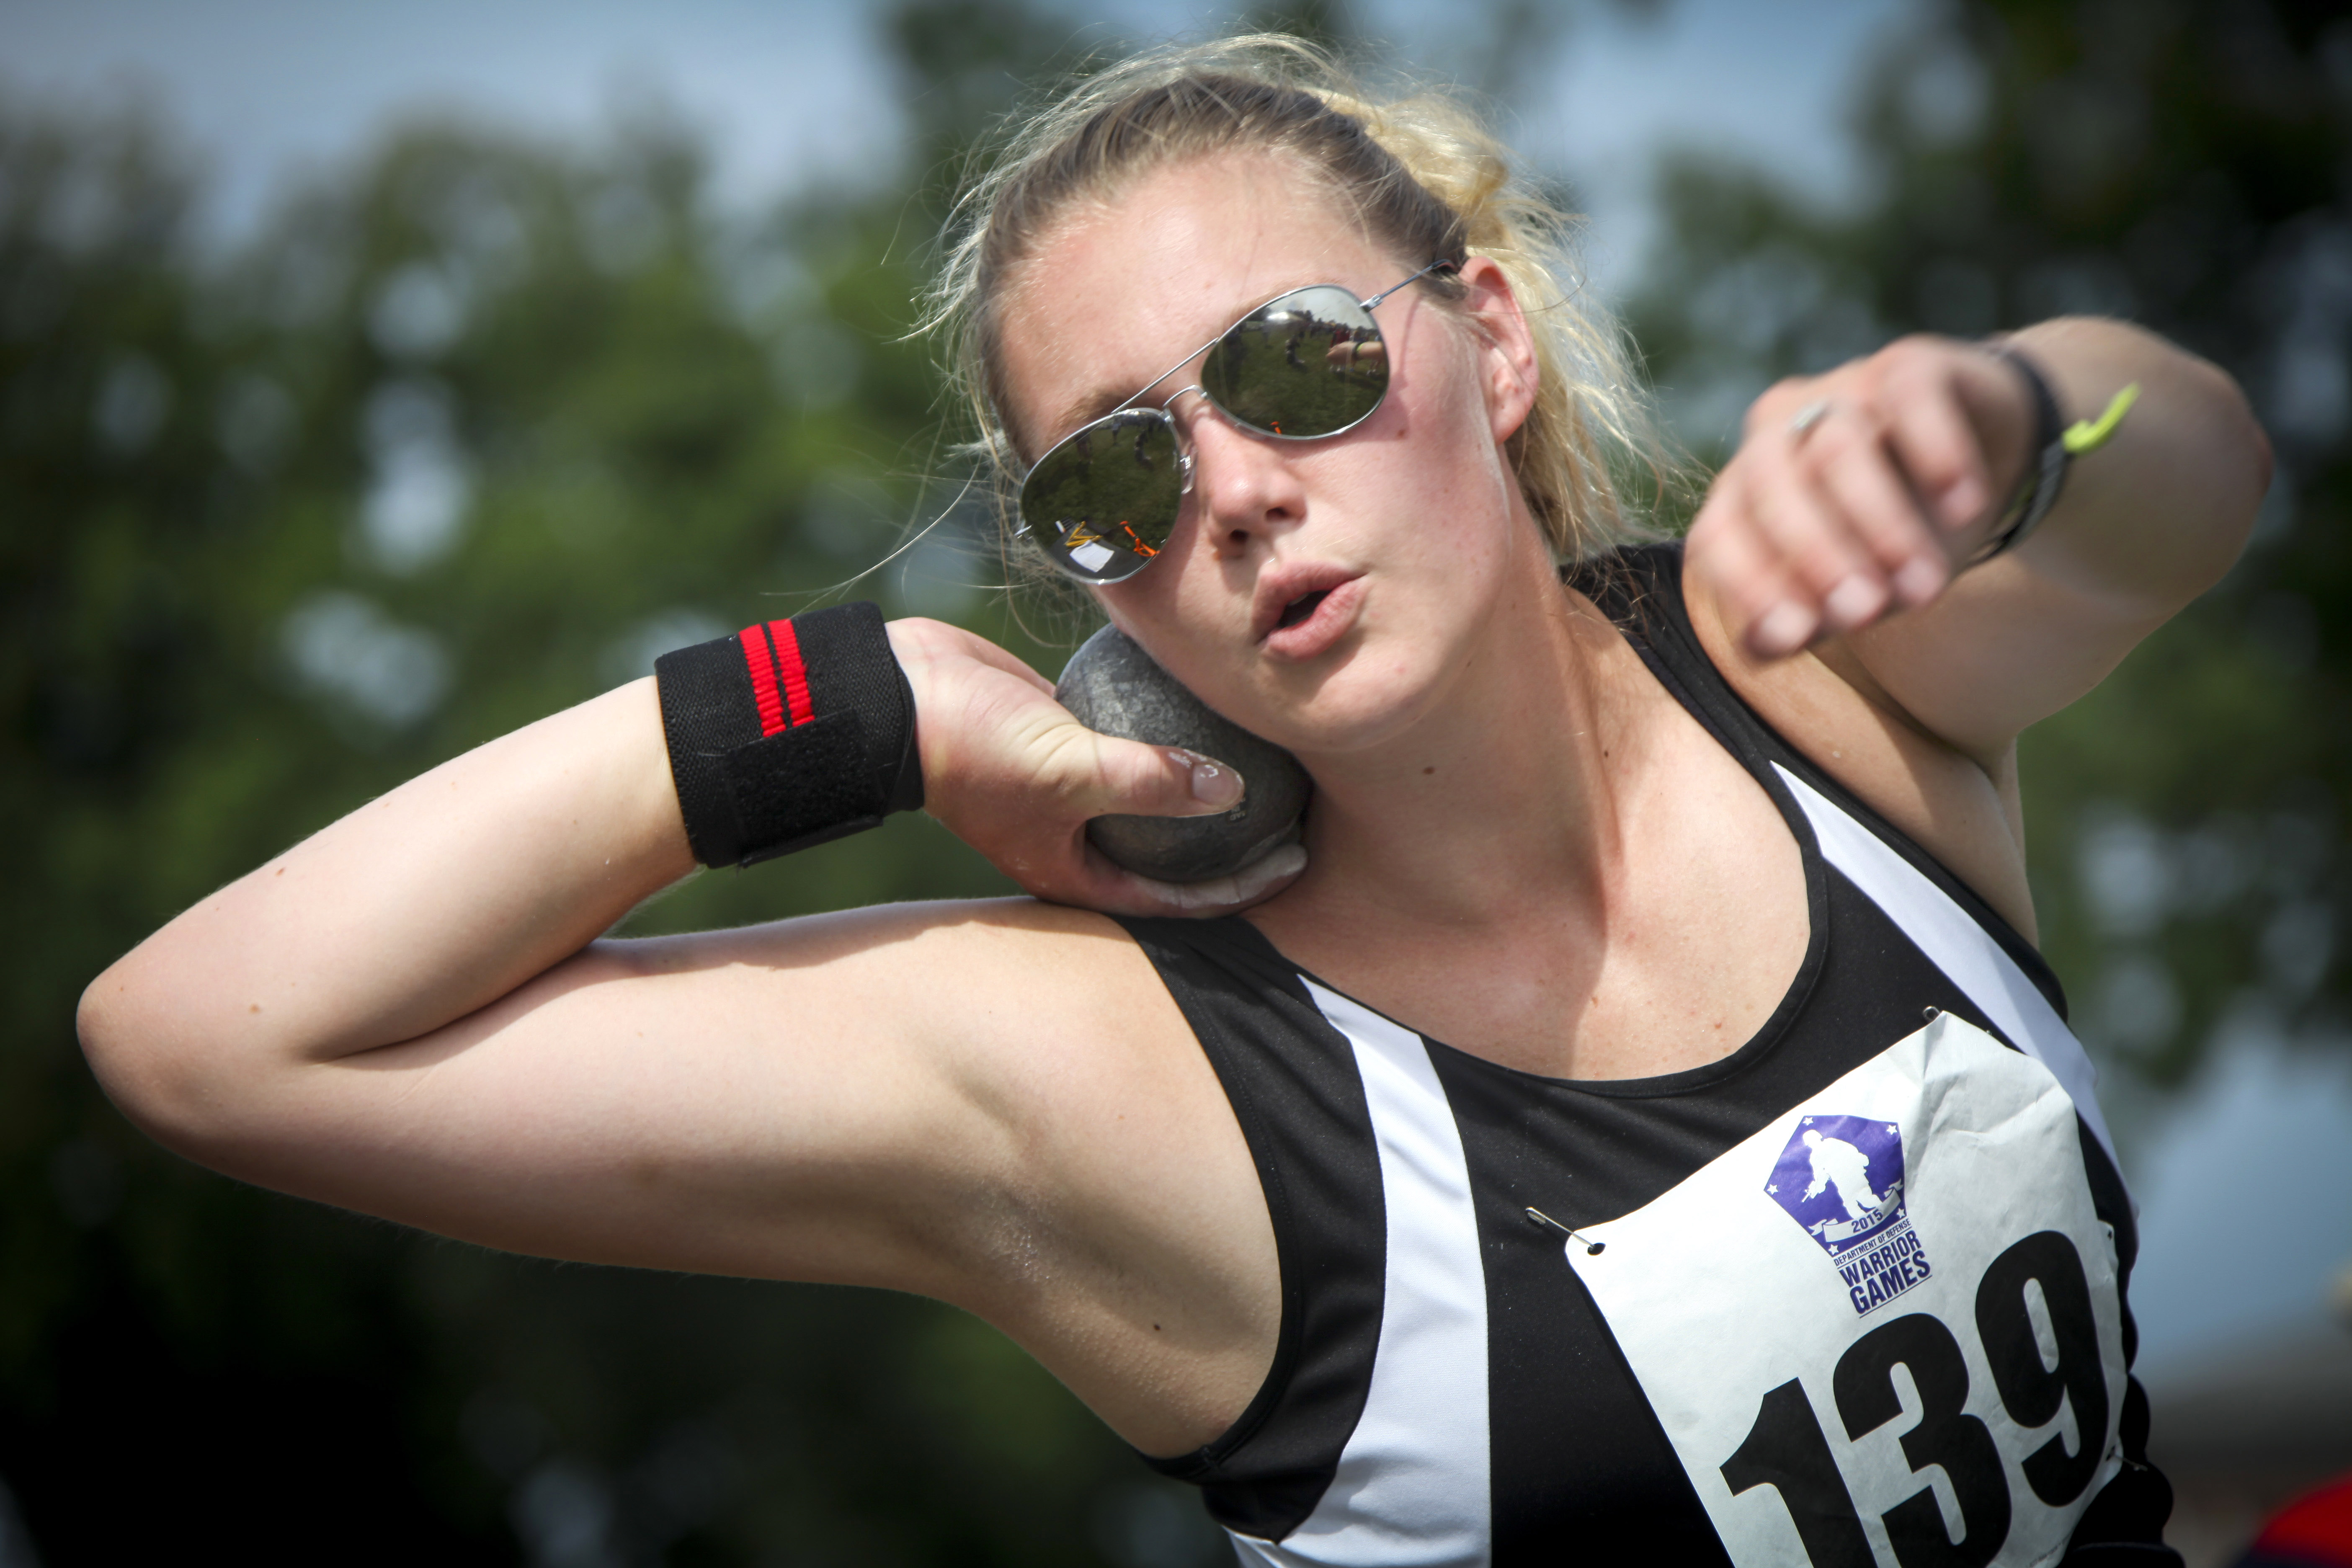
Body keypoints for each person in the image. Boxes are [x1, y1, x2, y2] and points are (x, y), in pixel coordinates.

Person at [77, 35, 2269, 1567]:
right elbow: (208, 1037)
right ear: (1085, 569)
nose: (1229, 490)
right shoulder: (1122, 1079)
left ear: (1487, 349)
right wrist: (858, 696)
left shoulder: (1815, 670)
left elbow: (2188, 474)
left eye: (1298, 364)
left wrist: (2007, 407)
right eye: (1116, 476)